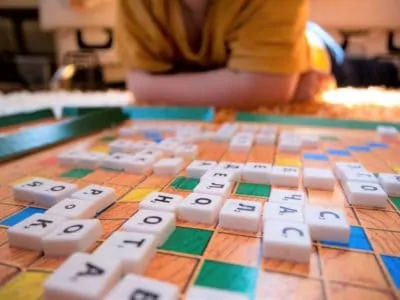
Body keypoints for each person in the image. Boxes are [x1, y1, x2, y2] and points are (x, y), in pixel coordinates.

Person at [115, 0, 336, 109]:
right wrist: (250, 86)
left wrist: (156, 88)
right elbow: (139, 86)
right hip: (227, 58)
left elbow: (266, 88)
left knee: (352, 67)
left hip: (314, 48)